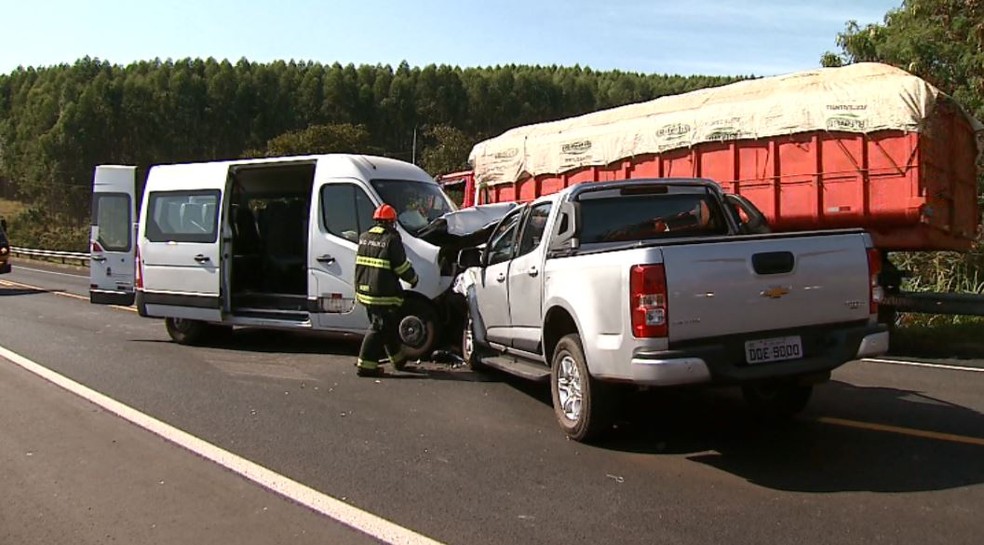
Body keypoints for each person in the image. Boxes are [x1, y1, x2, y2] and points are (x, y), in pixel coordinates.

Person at [354, 203, 419, 377]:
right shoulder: (391, 239)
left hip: (365, 291)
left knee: (387, 326)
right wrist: (413, 279)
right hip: (382, 293)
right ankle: (365, 366)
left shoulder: (364, 237)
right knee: (378, 328)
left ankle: (398, 360)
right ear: (391, 222)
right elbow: (401, 267)